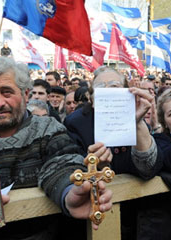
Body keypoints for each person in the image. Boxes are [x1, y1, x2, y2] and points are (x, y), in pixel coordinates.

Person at [0, 56, 112, 240]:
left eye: (7, 93)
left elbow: (62, 164)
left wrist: (70, 193)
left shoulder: (48, 128)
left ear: (26, 94)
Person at [64, 66, 160, 239]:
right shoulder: (75, 123)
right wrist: (93, 167)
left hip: (136, 209)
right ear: (91, 99)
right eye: (101, 88)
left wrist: (137, 123)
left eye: (115, 86)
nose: (108, 91)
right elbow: (70, 171)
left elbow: (148, 169)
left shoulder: (135, 118)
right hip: (92, 214)